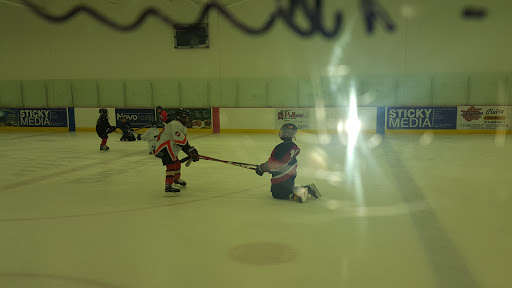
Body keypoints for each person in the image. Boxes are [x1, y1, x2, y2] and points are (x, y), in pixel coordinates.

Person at [255, 123, 321, 203]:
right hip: (290, 175)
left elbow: (274, 164)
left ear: (285, 133)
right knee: (286, 190)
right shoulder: (293, 146)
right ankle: (300, 191)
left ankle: (302, 191)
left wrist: (262, 168)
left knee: (278, 194)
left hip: (281, 176)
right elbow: (283, 162)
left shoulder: (280, 147)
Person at [155, 108, 199, 196]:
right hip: (164, 147)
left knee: (177, 163)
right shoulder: (175, 124)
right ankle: (168, 185)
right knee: (171, 165)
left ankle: (176, 179)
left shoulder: (179, 125)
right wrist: (189, 150)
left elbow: (181, 142)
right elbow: (180, 141)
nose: (187, 119)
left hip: (169, 146)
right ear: (181, 117)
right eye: (186, 117)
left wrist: (189, 150)